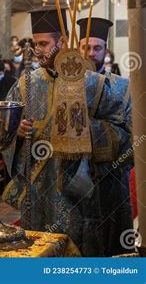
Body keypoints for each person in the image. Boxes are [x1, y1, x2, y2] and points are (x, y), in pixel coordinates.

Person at [2, 7, 132, 256]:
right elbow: (6, 132)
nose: (38, 50)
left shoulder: (102, 83)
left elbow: (131, 136)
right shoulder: (26, 84)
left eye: (43, 44)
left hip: (90, 192)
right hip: (42, 192)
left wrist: (83, 132)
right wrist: (16, 132)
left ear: (61, 43)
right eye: (35, 44)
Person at [78, 17, 133, 256]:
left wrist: (92, 131)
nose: (90, 53)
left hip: (111, 179)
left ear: (105, 50)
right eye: (85, 47)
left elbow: (134, 135)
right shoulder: (60, 86)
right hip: (72, 185)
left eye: (96, 48)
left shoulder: (122, 86)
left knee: (111, 246)